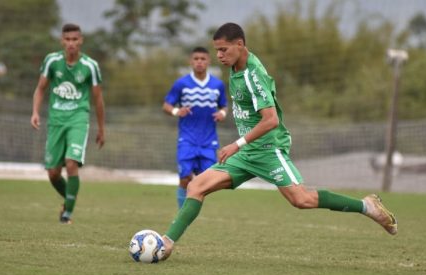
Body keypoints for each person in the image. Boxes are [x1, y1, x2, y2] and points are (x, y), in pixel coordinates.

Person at [160, 23, 397, 260]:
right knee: (195, 186)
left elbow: (271, 120)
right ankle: (166, 243)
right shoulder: (235, 68)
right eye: (217, 51)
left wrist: (236, 144)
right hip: (245, 154)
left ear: (239, 45)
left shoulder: (253, 75)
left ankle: (367, 206)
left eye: (223, 50)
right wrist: (241, 146)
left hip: (268, 149)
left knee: (301, 199)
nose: (219, 56)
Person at [30, 23, 105, 224]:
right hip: (56, 120)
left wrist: (101, 129)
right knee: (53, 173)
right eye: (68, 39)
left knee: (72, 163)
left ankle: (67, 214)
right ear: (62, 41)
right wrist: (35, 112)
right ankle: (70, 197)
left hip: (78, 118)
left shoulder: (90, 66)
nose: (71, 43)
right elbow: (40, 88)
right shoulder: (52, 61)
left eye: (75, 39)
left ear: (81, 41)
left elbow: (98, 99)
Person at [162, 47, 227, 209]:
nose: (199, 62)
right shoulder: (181, 83)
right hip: (187, 139)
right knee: (184, 178)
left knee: (207, 181)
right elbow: (166, 105)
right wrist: (177, 111)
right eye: (196, 59)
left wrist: (222, 114)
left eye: (203, 59)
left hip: (209, 141)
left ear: (209, 61)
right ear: (191, 61)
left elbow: (224, 106)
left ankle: (192, 209)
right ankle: (181, 214)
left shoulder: (217, 85)